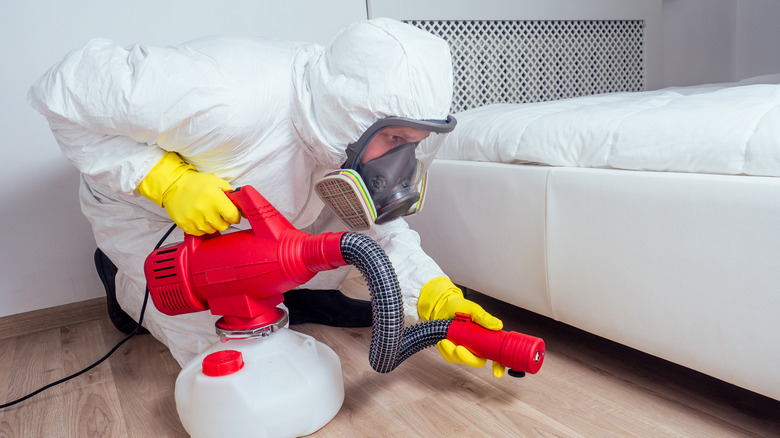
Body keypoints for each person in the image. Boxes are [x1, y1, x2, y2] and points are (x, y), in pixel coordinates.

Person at [29, 18, 506, 377]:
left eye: (413, 143)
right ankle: (125, 286)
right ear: (352, 112)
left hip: (261, 202)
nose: (399, 162)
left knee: (353, 281)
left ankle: (281, 294)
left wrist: (438, 298)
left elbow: (375, 235)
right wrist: (164, 179)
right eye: (395, 139)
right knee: (227, 359)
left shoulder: (335, 129)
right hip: (149, 217)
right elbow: (63, 89)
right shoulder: (222, 96)